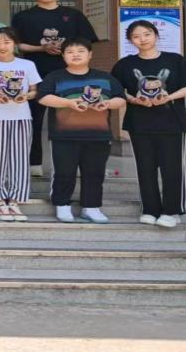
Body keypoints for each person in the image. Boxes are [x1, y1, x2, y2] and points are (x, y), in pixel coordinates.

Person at [111, 20, 186, 228]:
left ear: (156, 35)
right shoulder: (125, 64)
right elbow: (116, 90)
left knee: (172, 168)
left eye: (147, 34)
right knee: (145, 168)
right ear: (130, 40)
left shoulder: (175, 60)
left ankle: (172, 211)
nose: (142, 39)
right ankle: (150, 209)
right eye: (136, 36)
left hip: (171, 123)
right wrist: (133, 99)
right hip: (139, 123)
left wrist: (168, 97)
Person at [12, 0, 98, 176]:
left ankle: (72, 164)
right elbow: (18, 45)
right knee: (33, 118)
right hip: (35, 73)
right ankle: (34, 164)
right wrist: (41, 48)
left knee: (70, 116)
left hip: (68, 74)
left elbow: (86, 43)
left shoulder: (73, 15)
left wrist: (66, 49)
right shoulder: (24, 17)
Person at [37, 37, 126, 224]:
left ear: (90, 54)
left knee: (95, 172)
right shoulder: (55, 77)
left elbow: (120, 99)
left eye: (80, 51)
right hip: (64, 135)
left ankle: (91, 207)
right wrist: (68, 103)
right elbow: (43, 97)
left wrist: (107, 103)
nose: (75, 55)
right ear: (63, 56)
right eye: (70, 52)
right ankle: (62, 204)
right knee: (64, 172)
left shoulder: (105, 78)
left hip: (99, 135)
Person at [0, 27, 42, 221]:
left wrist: (25, 96)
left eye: (6, 42)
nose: (2, 46)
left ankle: (15, 200)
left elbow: (34, 91)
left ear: (15, 44)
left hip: (21, 116)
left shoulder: (27, 64)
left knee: (20, 159)